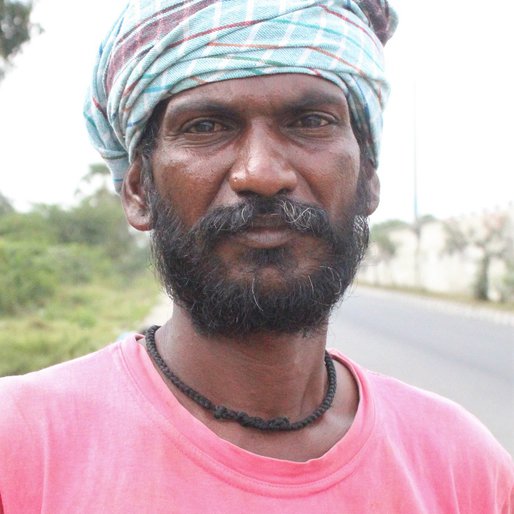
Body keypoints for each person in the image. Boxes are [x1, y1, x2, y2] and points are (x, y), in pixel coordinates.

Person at [1, 1, 512, 512]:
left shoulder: (462, 467)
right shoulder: (20, 446)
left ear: (369, 179)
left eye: (310, 121)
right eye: (205, 127)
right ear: (138, 190)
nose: (262, 173)